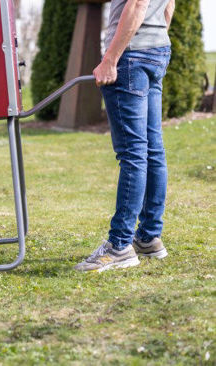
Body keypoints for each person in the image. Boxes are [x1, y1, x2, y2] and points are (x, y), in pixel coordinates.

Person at [75, 0, 175, 272]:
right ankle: (148, 237)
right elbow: (168, 6)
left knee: (133, 154)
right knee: (152, 151)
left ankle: (119, 246)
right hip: (156, 50)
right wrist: (153, 43)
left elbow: (138, 3)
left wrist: (110, 59)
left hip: (131, 55)